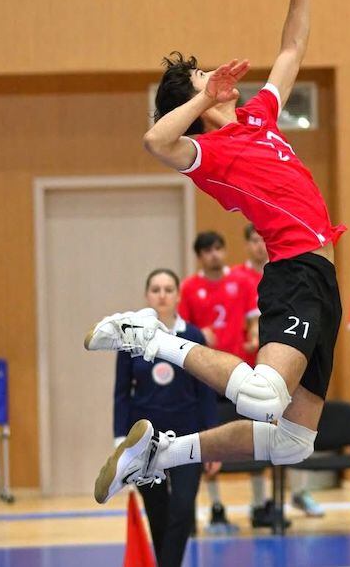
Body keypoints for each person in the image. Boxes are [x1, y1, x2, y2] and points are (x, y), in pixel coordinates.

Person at [87, 0, 346, 506]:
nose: (217, 79)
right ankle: (150, 337)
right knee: (260, 397)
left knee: (292, 442)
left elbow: (291, 49)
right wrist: (200, 98)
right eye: (204, 77)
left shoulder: (259, 120)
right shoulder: (210, 155)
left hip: (324, 281)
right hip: (295, 274)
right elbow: (155, 141)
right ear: (195, 103)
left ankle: (162, 452)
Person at [114, 270, 218, 567]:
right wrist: (121, 441)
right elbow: (121, 393)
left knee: (183, 508)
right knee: (157, 511)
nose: (162, 295)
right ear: (147, 295)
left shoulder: (193, 336)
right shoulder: (131, 339)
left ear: (178, 296)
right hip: (146, 443)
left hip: (189, 439)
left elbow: (206, 391)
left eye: (168, 289)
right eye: (156, 289)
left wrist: (213, 439)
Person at [232, 222, 324, 520]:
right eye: (254, 240)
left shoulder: (290, 271)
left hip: (292, 366)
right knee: (258, 430)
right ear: (247, 244)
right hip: (255, 367)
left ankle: (299, 492)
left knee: (295, 428)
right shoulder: (239, 279)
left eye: (264, 239)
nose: (261, 245)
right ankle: (260, 501)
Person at [177, 231, 264, 531]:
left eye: (218, 248)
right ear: (199, 256)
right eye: (208, 251)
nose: (214, 255)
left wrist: (254, 337)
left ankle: (259, 503)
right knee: (210, 438)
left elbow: (253, 321)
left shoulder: (242, 282)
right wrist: (201, 336)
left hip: (241, 370)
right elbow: (183, 329)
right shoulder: (189, 287)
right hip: (206, 375)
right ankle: (215, 506)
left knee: (253, 434)